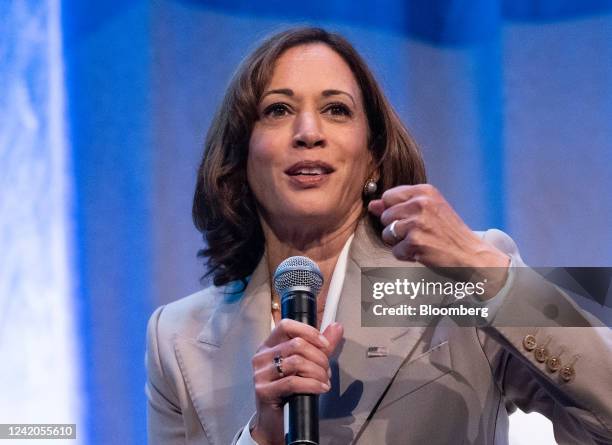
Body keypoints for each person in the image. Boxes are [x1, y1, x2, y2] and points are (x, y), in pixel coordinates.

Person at [145, 27, 612, 445]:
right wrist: (260, 438)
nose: (308, 132)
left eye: (336, 109)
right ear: (241, 155)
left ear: (371, 157)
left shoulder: (459, 279)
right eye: (279, 109)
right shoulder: (176, 338)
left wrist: (487, 272)